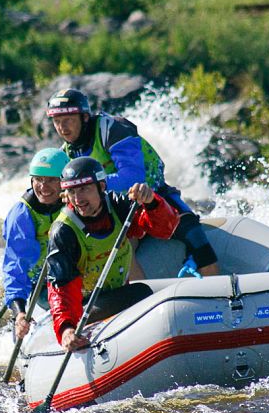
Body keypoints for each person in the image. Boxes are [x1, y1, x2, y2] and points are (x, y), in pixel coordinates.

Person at [45, 88, 219, 277]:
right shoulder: (66, 153)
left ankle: (216, 289)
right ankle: (135, 298)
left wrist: (89, 185)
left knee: (195, 235)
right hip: (114, 207)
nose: (62, 127)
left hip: (154, 193)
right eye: (57, 121)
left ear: (84, 117)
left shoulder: (111, 129)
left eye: (68, 120)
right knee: (117, 245)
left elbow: (133, 178)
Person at [46, 157, 179, 351]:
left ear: (101, 186)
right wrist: (66, 328)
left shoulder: (119, 205)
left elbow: (166, 229)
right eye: (72, 191)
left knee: (140, 292)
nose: (78, 199)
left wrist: (151, 202)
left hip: (118, 292)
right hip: (85, 306)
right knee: (141, 293)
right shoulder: (63, 231)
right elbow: (61, 287)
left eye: (84, 189)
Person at [2, 147, 70, 341]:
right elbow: (16, 267)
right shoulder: (22, 216)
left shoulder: (76, 201)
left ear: (64, 182)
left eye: (51, 180)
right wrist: (20, 312)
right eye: (38, 179)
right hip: (43, 284)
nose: (43, 187)